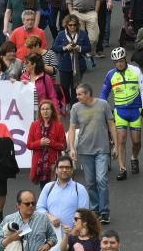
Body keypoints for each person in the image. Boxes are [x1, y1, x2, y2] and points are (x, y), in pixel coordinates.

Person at [68, 83, 117, 225]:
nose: (77, 97)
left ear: (88, 94)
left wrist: (115, 145)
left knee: (101, 179)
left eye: (79, 94)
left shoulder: (103, 105)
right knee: (90, 183)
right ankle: (95, 210)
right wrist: (72, 147)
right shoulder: (75, 108)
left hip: (102, 148)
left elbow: (111, 124)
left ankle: (105, 212)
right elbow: (71, 129)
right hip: (84, 149)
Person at [99, 47, 143, 180]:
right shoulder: (110, 75)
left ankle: (134, 157)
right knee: (120, 140)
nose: (119, 64)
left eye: (121, 61)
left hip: (135, 111)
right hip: (120, 111)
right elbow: (104, 93)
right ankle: (122, 168)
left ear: (125, 59)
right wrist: (101, 108)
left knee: (136, 142)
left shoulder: (135, 70)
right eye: (116, 62)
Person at [37, 154, 89, 228]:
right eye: (61, 167)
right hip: (50, 235)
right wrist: (50, 217)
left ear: (72, 170)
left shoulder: (80, 189)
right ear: (56, 170)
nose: (64, 170)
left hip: (73, 235)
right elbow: (40, 208)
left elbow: (84, 215)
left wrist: (74, 233)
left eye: (67, 167)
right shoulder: (48, 187)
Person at [26, 101, 67, 190]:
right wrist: (39, 143)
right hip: (39, 165)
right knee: (44, 190)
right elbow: (29, 145)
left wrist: (51, 142)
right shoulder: (34, 125)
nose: (45, 111)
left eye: (47, 109)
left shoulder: (58, 125)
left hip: (53, 163)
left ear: (52, 110)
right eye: (43, 109)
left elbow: (63, 145)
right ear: (40, 111)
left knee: (55, 188)